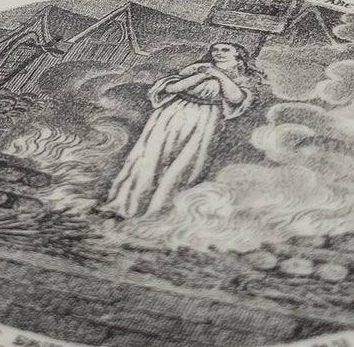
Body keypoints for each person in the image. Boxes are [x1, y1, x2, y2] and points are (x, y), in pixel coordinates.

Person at [103, 41, 257, 219]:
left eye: (225, 50)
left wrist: (217, 75)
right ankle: (124, 205)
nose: (218, 53)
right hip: (173, 113)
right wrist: (202, 75)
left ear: (237, 54)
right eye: (215, 49)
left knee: (186, 162)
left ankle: (158, 212)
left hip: (206, 119)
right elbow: (171, 88)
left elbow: (236, 98)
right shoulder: (197, 68)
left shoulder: (242, 76)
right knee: (149, 156)